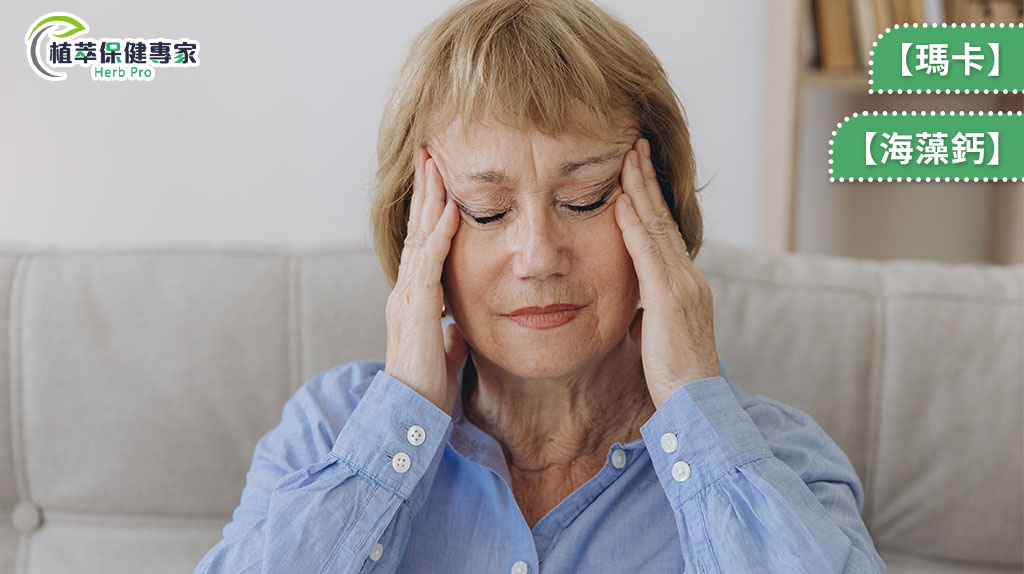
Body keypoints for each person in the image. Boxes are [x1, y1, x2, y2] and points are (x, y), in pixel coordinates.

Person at [195, 0, 886, 572]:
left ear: (661, 216)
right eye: (487, 211)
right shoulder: (327, 433)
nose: (537, 256)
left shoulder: (780, 461)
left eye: (584, 198)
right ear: (419, 234)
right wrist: (400, 418)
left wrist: (693, 405)